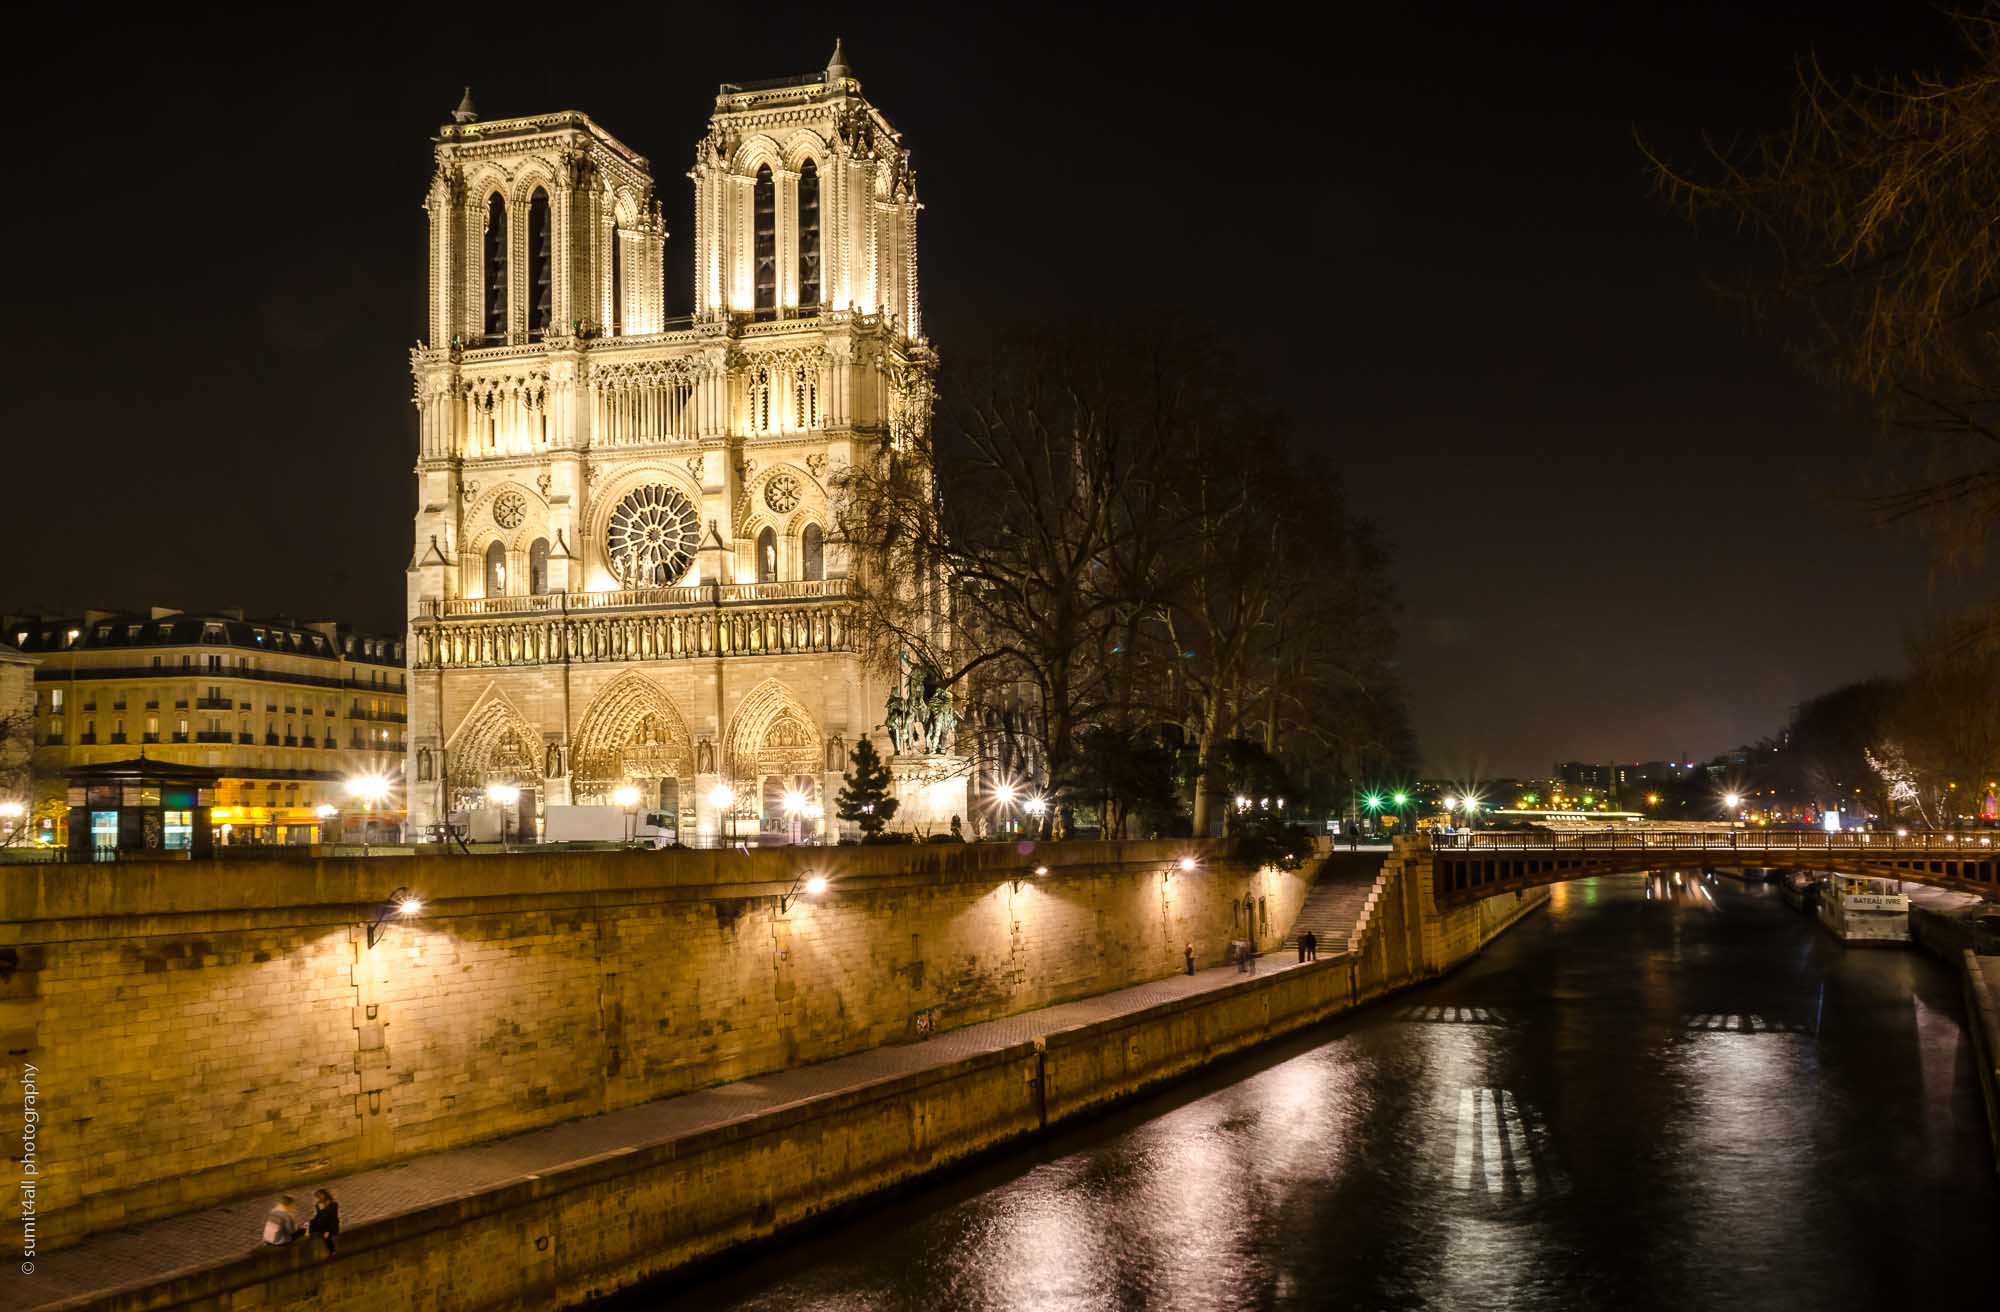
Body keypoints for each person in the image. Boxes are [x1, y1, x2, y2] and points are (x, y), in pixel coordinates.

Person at [308, 1188, 340, 1254]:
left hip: (330, 1226)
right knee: (308, 1227)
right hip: (321, 1224)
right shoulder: (318, 1205)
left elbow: (332, 1218)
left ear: (325, 1195)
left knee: (326, 1236)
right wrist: (311, 1222)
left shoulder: (333, 1204)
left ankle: (333, 1251)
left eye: (320, 1197)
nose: (319, 1199)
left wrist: (328, 1230)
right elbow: (318, 1216)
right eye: (318, 1197)